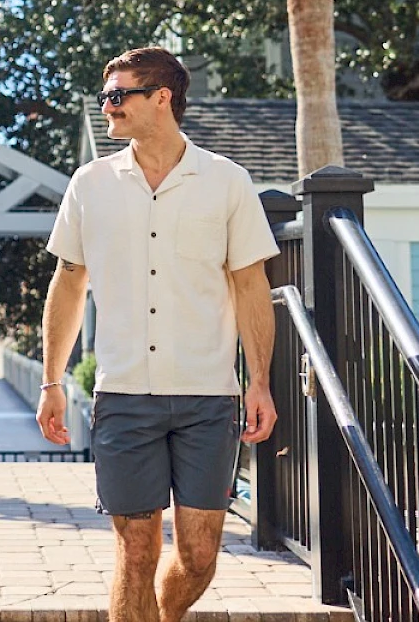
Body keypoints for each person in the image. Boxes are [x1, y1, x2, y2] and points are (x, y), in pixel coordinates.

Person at [37, 46, 279, 622]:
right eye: (106, 97)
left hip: (207, 394)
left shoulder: (226, 181)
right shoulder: (89, 183)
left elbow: (251, 286)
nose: (108, 107)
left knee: (198, 553)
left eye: (119, 96)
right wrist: (51, 379)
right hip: (123, 396)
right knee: (137, 550)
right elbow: (68, 284)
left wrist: (260, 382)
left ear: (162, 98)